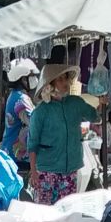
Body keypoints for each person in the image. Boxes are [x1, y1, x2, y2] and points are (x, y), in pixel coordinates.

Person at [26, 63, 97, 205]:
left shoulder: (75, 103)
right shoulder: (40, 112)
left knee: (65, 214)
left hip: (70, 170)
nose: (65, 83)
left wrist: (102, 102)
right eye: (60, 80)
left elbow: (95, 116)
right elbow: (32, 144)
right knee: (44, 216)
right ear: (50, 84)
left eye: (66, 79)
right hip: (47, 172)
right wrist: (33, 172)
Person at [1, 58, 38, 167]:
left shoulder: (15, 95)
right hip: (17, 156)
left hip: (11, 152)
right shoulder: (21, 99)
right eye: (31, 76)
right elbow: (35, 123)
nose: (34, 79)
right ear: (23, 79)